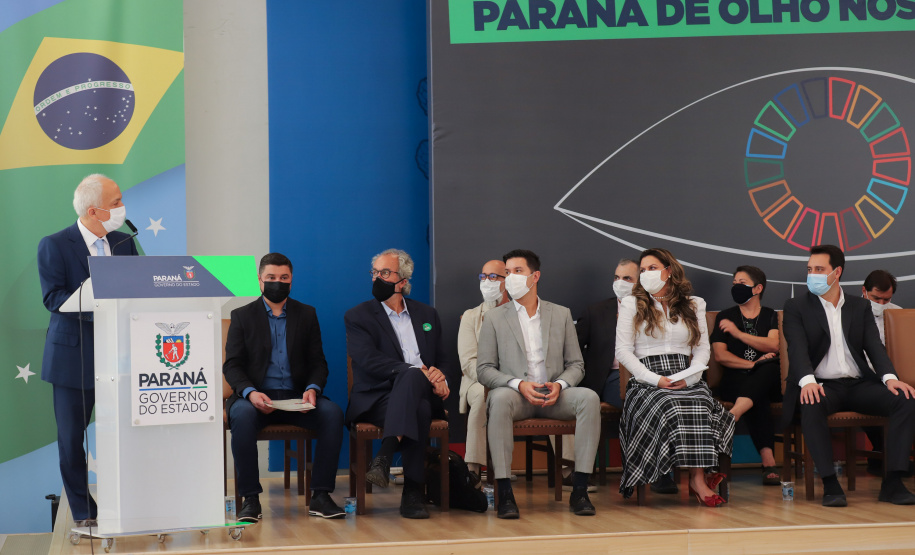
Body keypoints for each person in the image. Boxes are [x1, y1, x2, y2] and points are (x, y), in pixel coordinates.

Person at [38, 174, 138, 526]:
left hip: (119, 356)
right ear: (94, 211)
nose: (122, 208)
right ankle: (83, 511)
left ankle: (125, 499)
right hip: (72, 358)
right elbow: (53, 299)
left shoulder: (125, 241)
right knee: (70, 440)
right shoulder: (54, 244)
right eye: (116, 202)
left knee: (125, 432)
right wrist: (94, 297)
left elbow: (138, 289)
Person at [782, 244, 915, 506]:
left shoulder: (859, 306)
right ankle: (831, 484)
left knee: (905, 398)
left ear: (837, 272)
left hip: (858, 384)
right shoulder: (796, 306)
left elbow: (874, 347)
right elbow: (796, 349)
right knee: (811, 400)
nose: (813, 275)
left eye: (819, 269)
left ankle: (893, 482)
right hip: (822, 385)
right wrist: (807, 382)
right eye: (810, 269)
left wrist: (890, 377)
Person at [477, 249, 600, 519]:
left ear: (535, 276)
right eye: (507, 273)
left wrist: (561, 385)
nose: (510, 278)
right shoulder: (495, 318)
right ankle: (505, 492)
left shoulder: (561, 313)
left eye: (517, 272)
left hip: (554, 395)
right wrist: (518, 384)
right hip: (516, 396)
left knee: (589, 398)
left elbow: (576, 364)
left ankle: (580, 489)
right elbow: (484, 369)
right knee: (496, 399)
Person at [224, 253, 345, 522]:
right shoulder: (242, 316)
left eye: (284, 278)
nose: (277, 282)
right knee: (241, 416)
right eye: (271, 278)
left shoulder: (307, 314)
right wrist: (250, 393)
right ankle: (251, 500)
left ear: (291, 281)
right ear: (260, 281)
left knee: (333, 413)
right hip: (256, 397)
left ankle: (321, 495)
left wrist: (313, 387)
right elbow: (232, 365)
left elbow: (318, 362)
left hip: (296, 398)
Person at [615, 248, 734, 507]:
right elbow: (623, 351)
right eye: (643, 270)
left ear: (669, 271)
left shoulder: (694, 304)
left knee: (701, 402)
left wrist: (690, 379)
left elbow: (702, 349)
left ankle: (697, 478)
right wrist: (654, 379)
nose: (646, 274)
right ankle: (692, 478)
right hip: (647, 381)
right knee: (669, 404)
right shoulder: (631, 304)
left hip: (687, 375)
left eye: (652, 268)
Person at [344, 248, 451, 519]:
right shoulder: (358, 316)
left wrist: (441, 377)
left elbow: (443, 359)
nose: (377, 278)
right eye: (375, 272)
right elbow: (368, 360)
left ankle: (384, 456)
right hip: (376, 397)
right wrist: (417, 372)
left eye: (385, 273)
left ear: (403, 280)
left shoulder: (427, 314)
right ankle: (413, 491)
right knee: (421, 407)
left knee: (418, 391)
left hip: (421, 391)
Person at [710, 266, 781, 486]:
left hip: (768, 380)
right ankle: (768, 461)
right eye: (734, 283)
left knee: (768, 369)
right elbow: (721, 356)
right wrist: (753, 364)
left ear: (758, 288)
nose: (736, 287)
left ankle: (731, 417)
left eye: (742, 283)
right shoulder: (725, 316)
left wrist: (739, 334)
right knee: (758, 386)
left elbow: (774, 345)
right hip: (735, 379)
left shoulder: (771, 315)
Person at [457, 259, 509, 483]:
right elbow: (468, 362)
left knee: (552, 390)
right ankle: (473, 469)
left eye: (493, 277)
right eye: (483, 276)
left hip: (519, 381)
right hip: (479, 381)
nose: (487, 281)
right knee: (482, 395)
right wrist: (497, 380)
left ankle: (569, 468)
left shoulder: (521, 314)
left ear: (508, 281)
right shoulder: (470, 316)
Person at [860, 269, 904, 476]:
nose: (881, 304)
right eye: (876, 298)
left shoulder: (898, 314)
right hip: (860, 376)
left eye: (886, 299)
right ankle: (881, 452)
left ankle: (895, 458)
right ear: (864, 291)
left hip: (893, 375)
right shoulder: (847, 311)